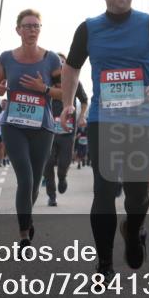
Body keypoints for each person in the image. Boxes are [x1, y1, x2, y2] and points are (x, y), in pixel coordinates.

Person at [59, 0, 149, 283]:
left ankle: (134, 227)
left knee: (137, 195)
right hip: (104, 120)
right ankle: (104, 265)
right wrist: (68, 103)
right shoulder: (88, 28)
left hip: (142, 121)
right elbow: (71, 68)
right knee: (104, 192)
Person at [0, 9, 62, 250]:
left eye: (36, 26)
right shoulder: (6, 57)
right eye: (27, 25)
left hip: (42, 126)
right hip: (14, 125)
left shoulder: (51, 59)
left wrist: (43, 88)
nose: (32, 30)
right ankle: (24, 236)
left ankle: (27, 217)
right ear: (18, 29)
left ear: (40, 30)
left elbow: (64, 92)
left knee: (34, 182)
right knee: (25, 178)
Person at [45, 52, 88, 206]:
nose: (61, 66)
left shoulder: (74, 82)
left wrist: (82, 116)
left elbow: (84, 101)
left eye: (63, 63)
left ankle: (62, 177)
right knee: (48, 163)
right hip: (48, 131)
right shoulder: (46, 81)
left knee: (64, 164)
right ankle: (52, 195)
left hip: (67, 131)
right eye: (58, 63)